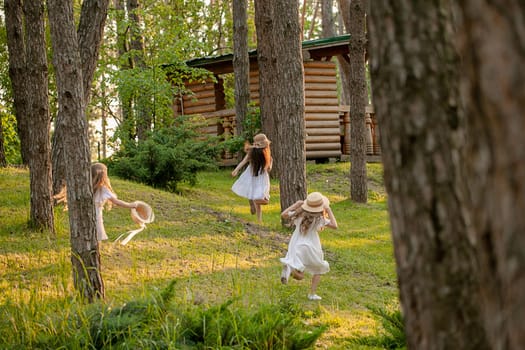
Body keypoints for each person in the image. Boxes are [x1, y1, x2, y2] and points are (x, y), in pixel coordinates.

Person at [279, 191, 338, 301]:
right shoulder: (320, 219)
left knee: (299, 273)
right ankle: (312, 294)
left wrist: (296, 205)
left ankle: (289, 269)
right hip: (312, 247)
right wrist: (328, 209)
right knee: (318, 268)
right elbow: (335, 226)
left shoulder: (299, 215)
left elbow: (283, 215)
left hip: (297, 245)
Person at [91, 162, 138, 241]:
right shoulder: (103, 189)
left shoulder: (86, 187)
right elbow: (117, 202)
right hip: (96, 217)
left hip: (85, 215)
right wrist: (131, 205)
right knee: (97, 237)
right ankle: (95, 252)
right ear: (104, 176)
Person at [231, 133, 273, 222]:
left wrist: (270, 163)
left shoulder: (266, 152)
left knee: (263, 197)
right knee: (257, 195)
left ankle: (253, 201)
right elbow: (244, 161)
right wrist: (236, 170)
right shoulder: (252, 152)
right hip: (252, 175)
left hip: (262, 176)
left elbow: (268, 167)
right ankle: (259, 220)